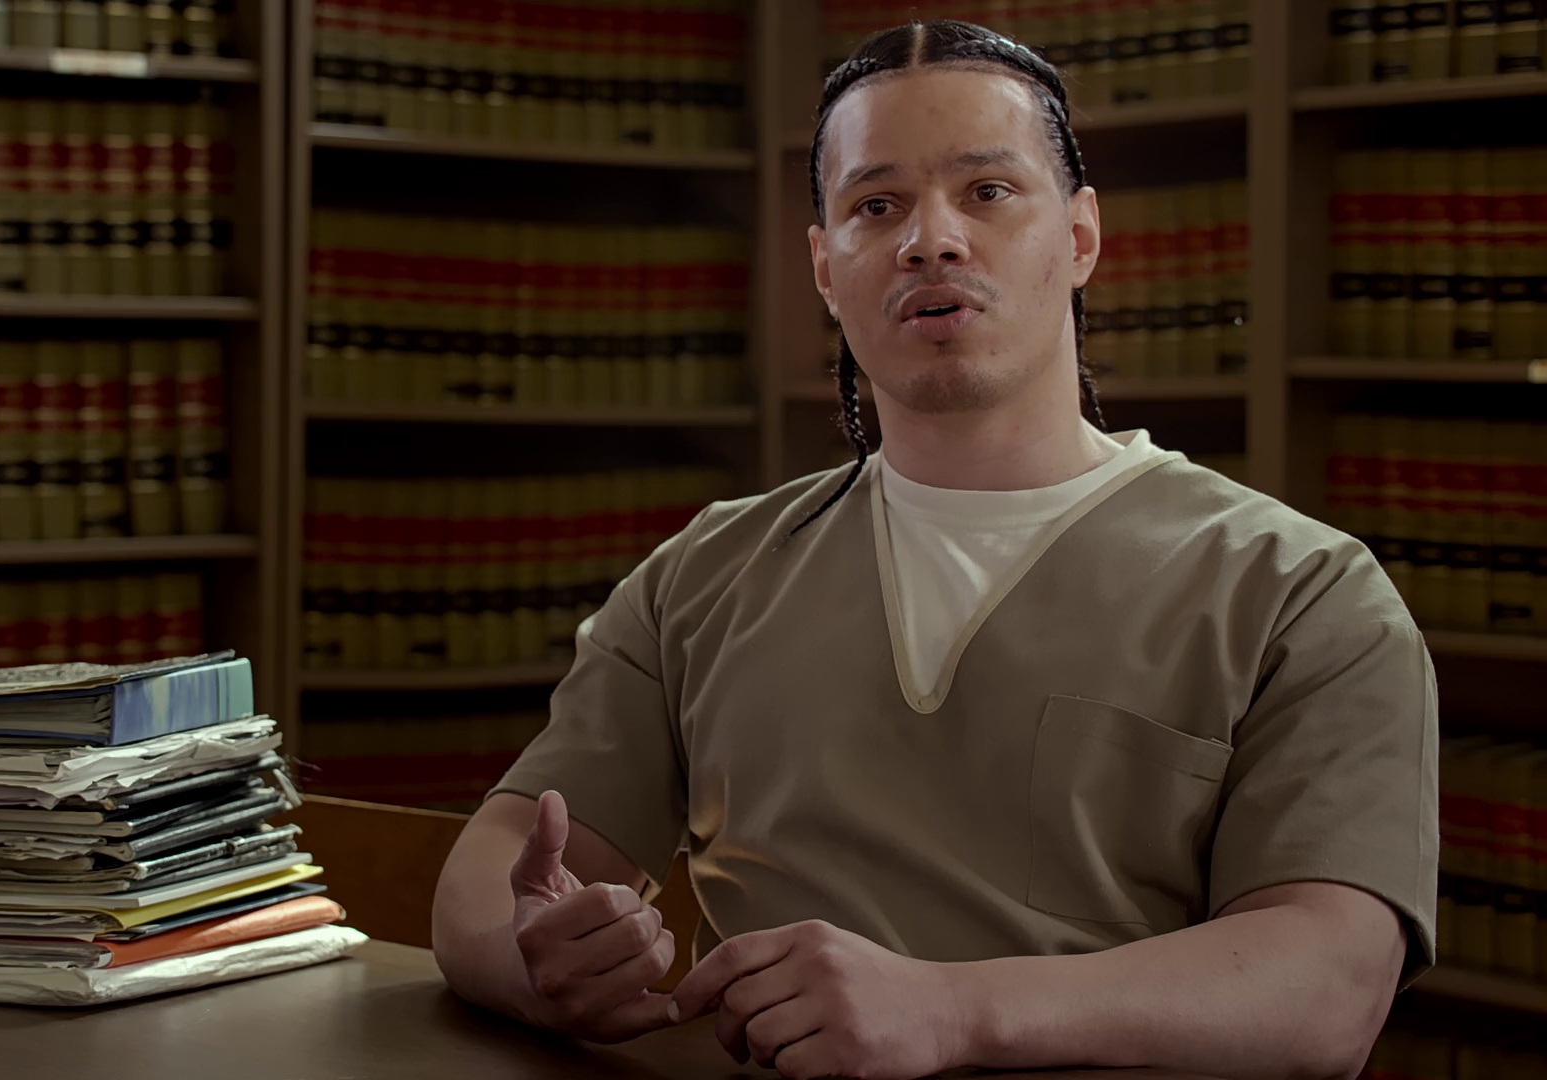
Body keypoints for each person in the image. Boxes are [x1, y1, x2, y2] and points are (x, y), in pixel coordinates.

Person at [430, 20, 1436, 1080]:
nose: (931, 240)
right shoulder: (707, 574)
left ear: (1080, 237)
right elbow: (493, 874)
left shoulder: (1300, 592)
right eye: (877, 206)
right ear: (825, 267)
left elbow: (1331, 984)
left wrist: (954, 1011)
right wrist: (534, 960)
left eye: (987, 191)